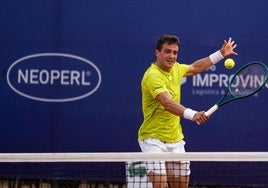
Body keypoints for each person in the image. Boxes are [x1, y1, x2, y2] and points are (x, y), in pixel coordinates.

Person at [138, 35, 238, 188]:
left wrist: (220, 54)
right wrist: (193, 115)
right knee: (160, 185)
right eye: (167, 52)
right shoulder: (153, 76)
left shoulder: (176, 68)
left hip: (176, 139)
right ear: (157, 53)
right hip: (153, 140)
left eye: (175, 52)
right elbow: (167, 103)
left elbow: (195, 68)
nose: (172, 56)